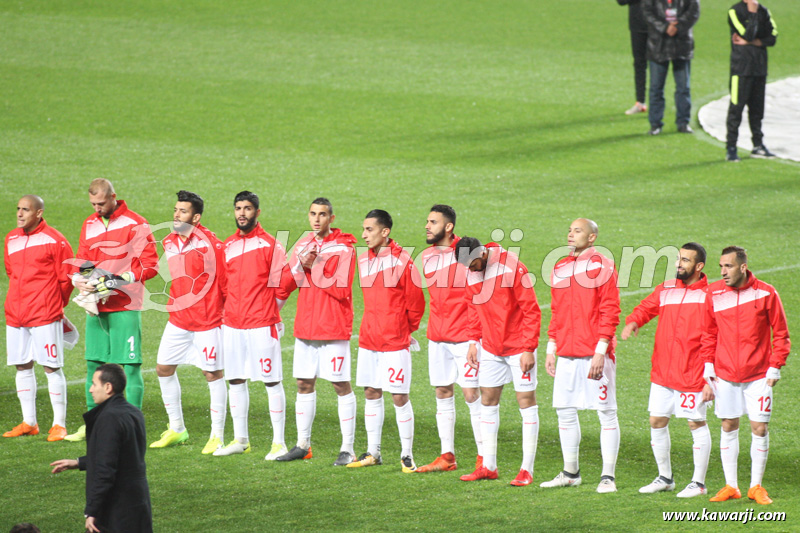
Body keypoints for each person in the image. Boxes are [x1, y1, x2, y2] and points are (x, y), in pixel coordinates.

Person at [65, 179, 159, 442]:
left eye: (101, 203)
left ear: (114, 197)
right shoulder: (90, 223)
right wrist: (79, 278)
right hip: (96, 305)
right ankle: (93, 425)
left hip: (125, 305)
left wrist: (119, 280)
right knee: (94, 365)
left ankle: (133, 425)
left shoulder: (135, 223)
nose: (97, 209)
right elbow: (84, 260)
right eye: (93, 204)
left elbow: (151, 265)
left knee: (129, 366)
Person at [621, 243, 713, 498]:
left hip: (691, 372)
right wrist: (634, 321)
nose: (678, 264)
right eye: (678, 259)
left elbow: (713, 337)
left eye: (684, 260)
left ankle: (699, 483)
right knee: (657, 420)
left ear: (699, 266)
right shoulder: (667, 288)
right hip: (663, 370)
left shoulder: (709, 295)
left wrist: (709, 375)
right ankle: (665, 478)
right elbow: (647, 306)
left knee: (695, 423)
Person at [701, 246, 790, 505]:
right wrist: (708, 367)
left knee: (759, 428)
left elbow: (781, 334)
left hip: (759, 375)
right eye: (720, 266)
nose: (722, 271)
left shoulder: (766, 292)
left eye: (727, 266)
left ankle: (756, 486)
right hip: (725, 374)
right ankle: (731, 485)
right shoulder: (714, 293)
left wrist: (775, 366)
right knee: (728, 425)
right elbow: (708, 334)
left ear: (742, 267)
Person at [275, 197, 358, 465]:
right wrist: (298, 264)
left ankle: (347, 449)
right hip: (306, 327)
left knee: (340, 385)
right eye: (313, 214)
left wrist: (315, 267)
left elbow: (342, 289)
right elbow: (286, 284)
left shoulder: (345, 248)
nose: (317, 219)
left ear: (331, 218)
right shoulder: (302, 244)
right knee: (303, 384)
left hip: (333, 327)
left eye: (322, 214)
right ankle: (303, 445)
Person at [541, 219, 621, 493]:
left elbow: (610, 309)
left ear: (592, 237)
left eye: (578, 230)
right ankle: (570, 472)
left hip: (594, 353)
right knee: (564, 410)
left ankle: (608, 477)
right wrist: (551, 347)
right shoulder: (561, 266)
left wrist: (601, 350)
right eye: (570, 230)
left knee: (606, 413)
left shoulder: (602, 265)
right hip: (566, 351)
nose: (571, 234)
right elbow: (557, 309)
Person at [455, 237, 542, 487]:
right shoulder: (471, 269)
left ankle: (527, 469)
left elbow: (531, 310)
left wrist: (528, 348)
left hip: (517, 347)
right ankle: (489, 466)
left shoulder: (512, 267)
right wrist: (473, 340)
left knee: (525, 403)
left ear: (482, 252)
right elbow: (473, 307)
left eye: (472, 264)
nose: (470, 270)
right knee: (488, 401)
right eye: (466, 267)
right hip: (491, 347)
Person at [150, 191, 228, 454]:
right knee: (163, 368)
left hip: (208, 322)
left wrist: (225, 319)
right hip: (179, 320)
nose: (176, 215)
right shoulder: (170, 241)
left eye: (182, 211)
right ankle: (177, 428)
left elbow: (226, 284)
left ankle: (217, 435)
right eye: (175, 210)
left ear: (196, 217)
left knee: (212, 374)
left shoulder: (213, 245)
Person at [347, 209, 425, 472]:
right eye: (363, 229)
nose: (364, 235)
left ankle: (407, 454)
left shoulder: (403, 262)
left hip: (394, 340)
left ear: (385, 232)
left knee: (399, 396)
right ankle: (373, 452)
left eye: (369, 230)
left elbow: (416, 305)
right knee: (371, 392)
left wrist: (403, 329)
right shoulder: (363, 260)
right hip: (369, 338)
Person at [214, 191, 290, 459]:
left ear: (257, 212)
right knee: (235, 379)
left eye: (247, 208)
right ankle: (240, 439)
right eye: (238, 208)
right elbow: (223, 285)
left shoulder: (271, 245)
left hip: (261, 324)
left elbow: (283, 285)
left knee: (271, 381)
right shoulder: (227, 246)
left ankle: (279, 442)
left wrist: (270, 312)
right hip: (233, 323)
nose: (242, 213)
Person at [416, 206, 482, 473]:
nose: (427, 226)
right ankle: (447, 457)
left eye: (433, 222)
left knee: (471, 395)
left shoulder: (465, 253)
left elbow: (478, 296)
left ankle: (483, 459)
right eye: (427, 221)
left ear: (449, 227)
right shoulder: (427, 257)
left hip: (465, 337)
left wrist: (474, 340)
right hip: (438, 336)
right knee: (442, 392)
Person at [4, 195, 74, 441]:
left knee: (51, 367)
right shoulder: (11, 238)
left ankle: (59, 424)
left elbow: (67, 278)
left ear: (39, 213)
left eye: (26, 210)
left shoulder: (55, 240)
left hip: (45, 313)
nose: (20, 214)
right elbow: (11, 272)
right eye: (18, 209)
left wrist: (56, 304)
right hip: (16, 314)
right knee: (22, 365)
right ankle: (29, 422)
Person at [51, 363, 153, 533]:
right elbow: (123, 455)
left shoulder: (108, 418)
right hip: (138, 502)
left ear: (107, 387)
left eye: (94, 384)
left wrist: (92, 510)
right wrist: (78, 462)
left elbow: (105, 469)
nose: (90, 389)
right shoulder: (134, 412)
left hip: (116, 510)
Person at [724, 0, 779, 162]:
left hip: (759, 69)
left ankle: (758, 145)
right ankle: (731, 148)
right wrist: (753, 14)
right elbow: (747, 34)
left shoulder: (765, 11)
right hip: (741, 70)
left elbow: (773, 37)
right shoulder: (735, 11)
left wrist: (754, 42)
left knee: (757, 110)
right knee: (736, 109)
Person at [642, 0, 700, 135]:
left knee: (683, 88)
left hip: (681, 45)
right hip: (658, 45)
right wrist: (664, 27)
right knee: (656, 88)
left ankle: (683, 122)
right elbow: (647, 13)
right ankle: (655, 124)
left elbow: (694, 12)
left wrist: (678, 26)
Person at [618, 0, 649, 115]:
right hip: (637, 26)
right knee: (639, 64)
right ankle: (640, 102)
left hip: (658, 25)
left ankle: (658, 105)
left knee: (660, 64)